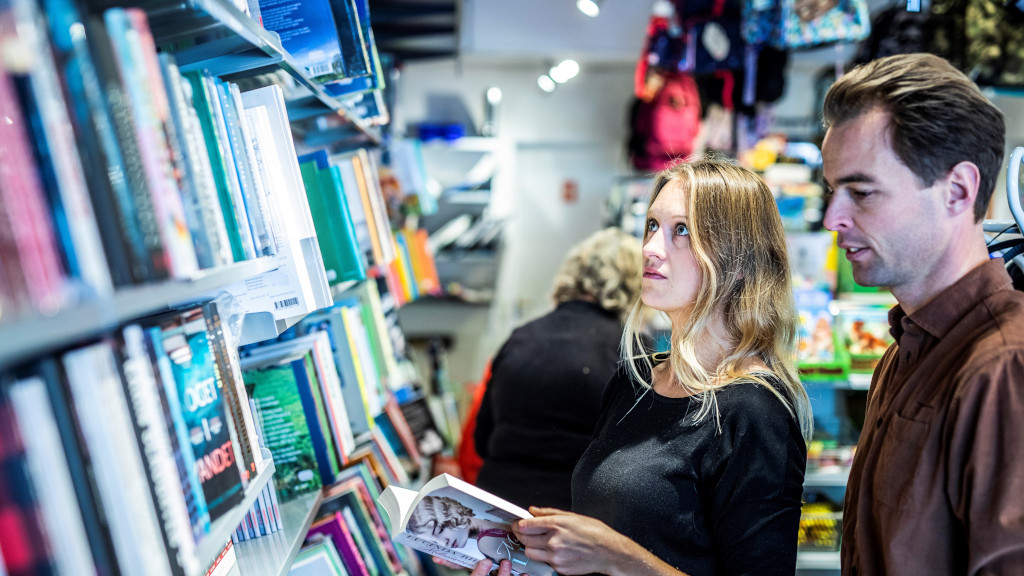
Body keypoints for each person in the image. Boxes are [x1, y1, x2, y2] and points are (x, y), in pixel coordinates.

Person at [501, 157, 813, 576]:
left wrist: (616, 557)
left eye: (680, 231)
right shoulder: (636, 379)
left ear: (736, 256)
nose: (649, 248)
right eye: (651, 226)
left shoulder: (755, 411)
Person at [819, 53, 1024, 574]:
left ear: (958, 190)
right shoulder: (905, 351)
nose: (832, 218)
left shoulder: (1003, 367)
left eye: (861, 192)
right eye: (832, 191)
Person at [472, 227, 643, 510]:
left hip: (492, 510)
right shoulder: (632, 352)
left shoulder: (520, 338)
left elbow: (482, 440)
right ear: (634, 284)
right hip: (571, 523)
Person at [407, 495, 555, 576]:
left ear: (451, 516)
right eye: (435, 542)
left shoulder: (485, 544)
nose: (443, 543)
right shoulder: (493, 514)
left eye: (438, 532)